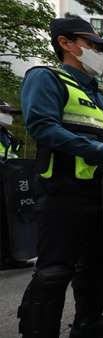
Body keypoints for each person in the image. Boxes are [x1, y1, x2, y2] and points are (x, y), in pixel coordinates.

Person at [18, 17, 103, 337]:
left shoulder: (102, 98)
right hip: (64, 194)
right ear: (65, 43)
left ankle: (86, 324)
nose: (99, 52)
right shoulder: (47, 78)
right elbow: (42, 127)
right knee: (55, 273)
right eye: (92, 45)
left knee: (96, 269)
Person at [0, 99, 34, 270]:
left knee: (9, 223)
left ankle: (9, 256)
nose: (8, 116)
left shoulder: (6, 134)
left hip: (8, 184)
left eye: (9, 113)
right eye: (4, 112)